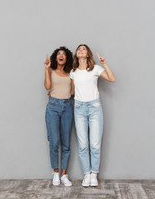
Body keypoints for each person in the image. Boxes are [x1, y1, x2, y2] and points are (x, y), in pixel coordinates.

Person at [70, 44, 115, 187]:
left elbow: (112, 79)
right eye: (79, 49)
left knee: (95, 144)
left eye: (84, 49)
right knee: (83, 145)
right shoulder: (73, 72)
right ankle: (86, 174)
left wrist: (104, 64)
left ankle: (94, 174)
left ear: (88, 54)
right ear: (76, 54)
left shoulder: (95, 68)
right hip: (79, 108)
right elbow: (72, 92)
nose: (81, 50)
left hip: (95, 108)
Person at [44, 46, 74, 187]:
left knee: (66, 143)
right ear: (56, 58)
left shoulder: (70, 73)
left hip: (68, 106)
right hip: (53, 107)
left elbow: (73, 91)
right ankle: (55, 172)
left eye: (64, 54)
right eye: (58, 54)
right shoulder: (51, 70)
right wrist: (46, 69)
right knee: (55, 142)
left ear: (67, 58)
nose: (61, 55)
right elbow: (47, 86)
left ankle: (64, 174)